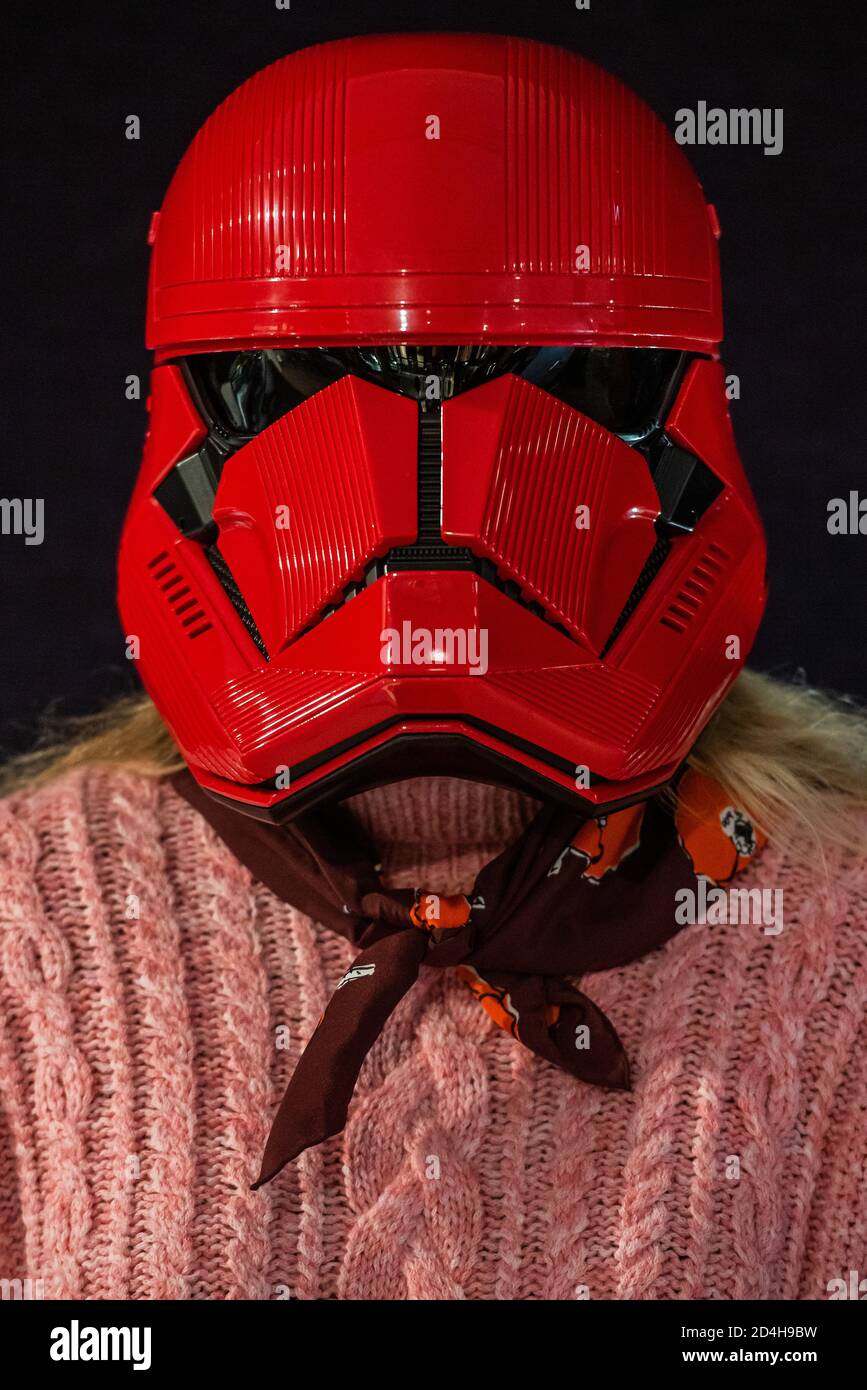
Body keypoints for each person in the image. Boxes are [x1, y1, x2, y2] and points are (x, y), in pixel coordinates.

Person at [1, 32, 865, 1302]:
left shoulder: (836, 943)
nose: (433, 480)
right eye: (313, 379)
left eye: (550, 376)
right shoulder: (30, 926)